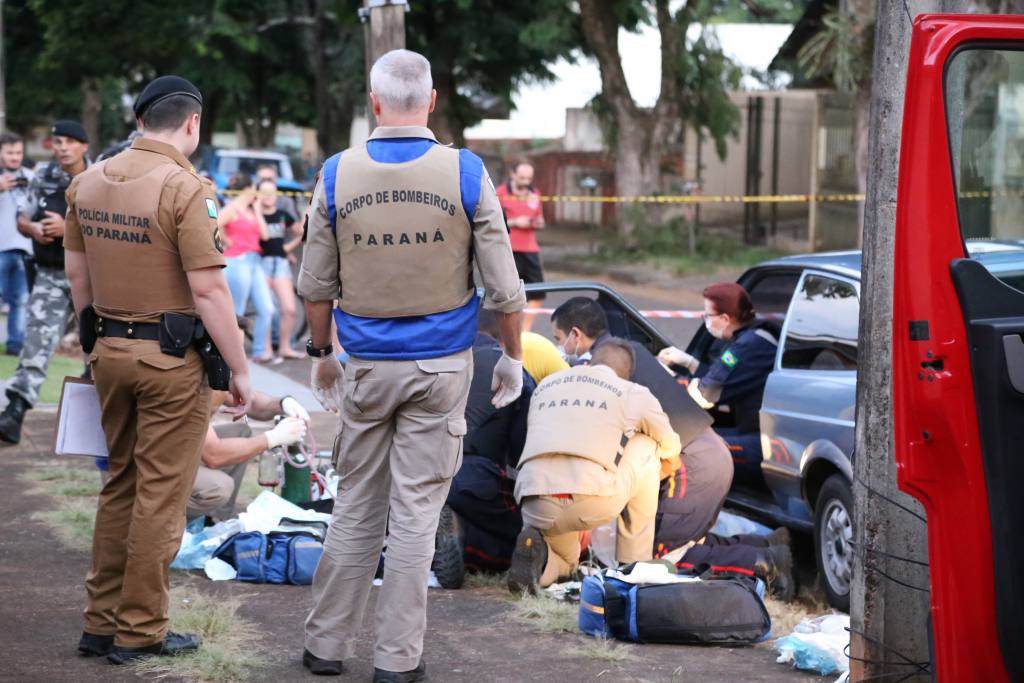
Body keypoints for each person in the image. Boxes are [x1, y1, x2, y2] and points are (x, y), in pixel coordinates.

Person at [298, 49, 526, 681]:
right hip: (442, 370)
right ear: (430, 102)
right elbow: (506, 288)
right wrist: (510, 357)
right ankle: (397, 664)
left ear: (374, 104)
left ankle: (325, 647)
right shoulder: (466, 171)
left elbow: (316, 285)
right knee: (416, 517)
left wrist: (322, 357)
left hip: (367, 366)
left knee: (356, 508)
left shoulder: (338, 174)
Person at [63, 75, 252, 664]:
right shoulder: (186, 187)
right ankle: (140, 628)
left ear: (140, 120)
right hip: (170, 362)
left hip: (110, 353)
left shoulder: (87, 181)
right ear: (192, 123)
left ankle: (100, 621)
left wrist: (96, 342)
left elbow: (77, 277)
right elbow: (210, 290)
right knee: (161, 497)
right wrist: (241, 369)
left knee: (120, 482)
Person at [549, 297, 733, 551]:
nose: (560, 347)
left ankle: (763, 561)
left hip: (690, 464)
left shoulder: (595, 368)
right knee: (683, 544)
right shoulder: (630, 348)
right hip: (710, 452)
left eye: (559, 339)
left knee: (659, 560)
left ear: (576, 334)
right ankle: (763, 548)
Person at [509, 339, 682, 593]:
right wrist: (669, 467)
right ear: (627, 373)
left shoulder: (546, 385)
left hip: (535, 499)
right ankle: (633, 566)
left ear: (591, 361)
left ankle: (540, 567)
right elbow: (670, 444)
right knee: (649, 446)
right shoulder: (632, 391)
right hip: (590, 498)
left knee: (567, 563)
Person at [0, 121, 90, 445]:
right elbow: (23, 217)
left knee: (99, 349)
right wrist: (33, 230)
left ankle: (96, 420)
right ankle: (15, 410)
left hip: (91, 277)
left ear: (84, 146)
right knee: (36, 341)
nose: (62, 147)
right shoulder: (43, 176)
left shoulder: (100, 178)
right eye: (57, 141)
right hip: (51, 272)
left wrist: (70, 231)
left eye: (69, 141)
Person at [435, 308, 535, 585]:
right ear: (503, 335)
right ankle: (465, 539)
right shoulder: (510, 371)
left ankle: (446, 538)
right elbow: (523, 447)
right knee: (527, 534)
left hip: (420, 477)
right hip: (473, 474)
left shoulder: (433, 362)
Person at [657, 282, 778, 488]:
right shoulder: (754, 338)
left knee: (681, 448)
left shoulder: (747, 347)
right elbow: (722, 380)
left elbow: (704, 396)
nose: (706, 321)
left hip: (761, 445)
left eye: (708, 316)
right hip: (759, 434)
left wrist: (665, 378)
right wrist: (690, 363)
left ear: (724, 319)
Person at [188, 392, 309, 520]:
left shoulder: (208, 375)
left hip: (179, 450)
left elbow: (249, 399)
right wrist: (272, 438)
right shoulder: (185, 384)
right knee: (219, 487)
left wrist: (284, 403)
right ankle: (174, 521)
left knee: (240, 432)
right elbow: (214, 455)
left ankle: (218, 519)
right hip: (166, 466)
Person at [219, 172, 276, 363]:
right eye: (254, 191)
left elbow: (265, 236)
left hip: (254, 261)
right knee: (238, 310)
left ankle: (258, 352)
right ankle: (234, 354)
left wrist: (258, 211)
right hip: (237, 260)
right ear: (247, 190)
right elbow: (213, 225)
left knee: (266, 308)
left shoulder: (252, 211)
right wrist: (227, 241)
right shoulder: (232, 209)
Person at [256, 178, 303, 359]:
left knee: (289, 309)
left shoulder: (283, 215)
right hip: (260, 263)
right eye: (264, 192)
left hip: (280, 264)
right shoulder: (254, 214)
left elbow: (301, 233)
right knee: (266, 310)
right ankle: (266, 349)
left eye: (272, 192)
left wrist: (287, 249)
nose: (268, 196)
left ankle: (285, 347)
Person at [496, 161, 545, 330]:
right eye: (522, 177)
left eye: (529, 178)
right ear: (513, 174)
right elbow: (493, 222)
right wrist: (516, 222)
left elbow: (541, 220)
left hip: (530, 249)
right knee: (510, 295)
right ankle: (508, 331)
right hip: (509, 250)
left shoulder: (535, 194)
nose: (526, 181)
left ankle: (525, 331)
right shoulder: (500, 193)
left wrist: (536, 222)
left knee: (538, 293)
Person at [0, 132, 35, 356]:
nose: (15, 157)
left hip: (25, 248)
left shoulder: (33, 177)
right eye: (10, 152)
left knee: (21, 301)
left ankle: (15, 346)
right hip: (1, 247)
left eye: (19, 152)